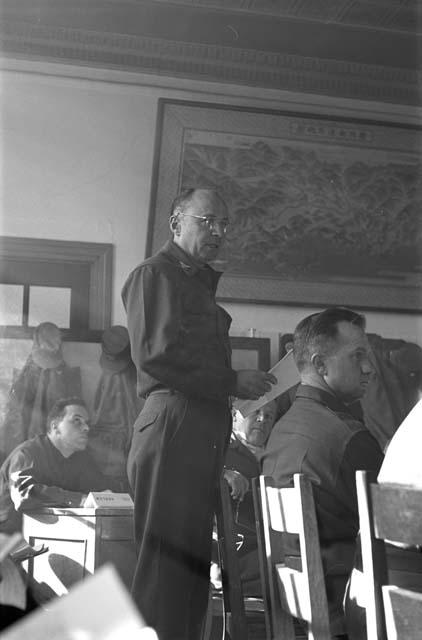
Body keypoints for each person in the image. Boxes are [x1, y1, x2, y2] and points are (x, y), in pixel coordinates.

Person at [121, 187, 276, 640]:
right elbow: (154, 356)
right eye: (206, 221)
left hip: (195, 430)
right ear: (176, 223)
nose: (217, 232)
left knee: (189, 573)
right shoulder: (155, 275)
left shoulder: (193, 281)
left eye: (223, 224)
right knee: (165, 573)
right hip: (172, 425)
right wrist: (231, 381)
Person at [262, 307, 384, 638]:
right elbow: (396, 530)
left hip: (296, 602)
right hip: (348, 608)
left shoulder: (282, 430)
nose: (369, 368)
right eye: (357, 356)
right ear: (319, 365)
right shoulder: (348, 437)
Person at [0, 397, 108, 534]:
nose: (86, 428)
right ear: (55, 426)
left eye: (87, 423)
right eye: (77, 421)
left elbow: (99, 489)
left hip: (48, 537)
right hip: (8, 541)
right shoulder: (27, 453)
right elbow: (24, 494)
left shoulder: (81, 460)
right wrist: (80, 500)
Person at [218, 400, 277, 594]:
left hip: (268, 546)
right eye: (256, 412)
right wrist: (224, 473)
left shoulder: (278, 453)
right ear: (236, 416)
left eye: (269, 416)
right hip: (239, 553)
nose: (262, 419)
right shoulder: (222, 454)